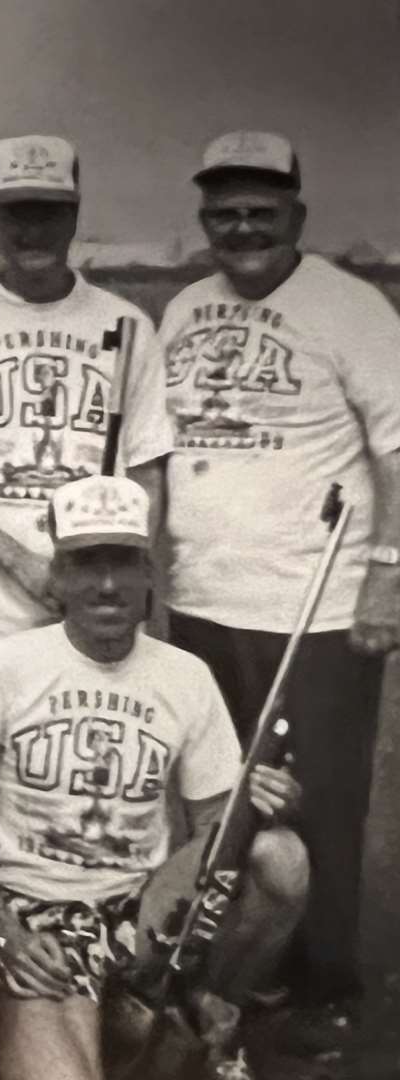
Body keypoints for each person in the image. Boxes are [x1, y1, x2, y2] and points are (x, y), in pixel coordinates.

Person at [0, 475, 310, 1080]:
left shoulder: (186, 676)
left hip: (139, 910)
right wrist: (6, 934)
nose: (106, 585)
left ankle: (199, 1005)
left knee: (281, 858)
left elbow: (214, 826)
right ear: (58, 575)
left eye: (123, 563)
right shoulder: (2, 669)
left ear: (149, 574)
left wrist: (260, 804)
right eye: (86, 563)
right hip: (37, 915)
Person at [155, 130, 400, 1048]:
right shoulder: (184, 309)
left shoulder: (353, 308)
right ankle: (230, 972)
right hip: (202, 601)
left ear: (297, 213)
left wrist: (387, 573)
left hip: (316, 609)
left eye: (261, 211)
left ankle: (324, 989)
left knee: (317, 802)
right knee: (218, 799)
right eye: (224, 213)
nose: (242, 228)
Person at [0, 135, 171, 686]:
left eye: (49, 212)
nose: (32, 231)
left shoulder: (127, 325)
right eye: (16, 213)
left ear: (74, 214)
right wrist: (18, 560)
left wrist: (121, 577)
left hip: (94, 624)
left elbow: (146, 473)